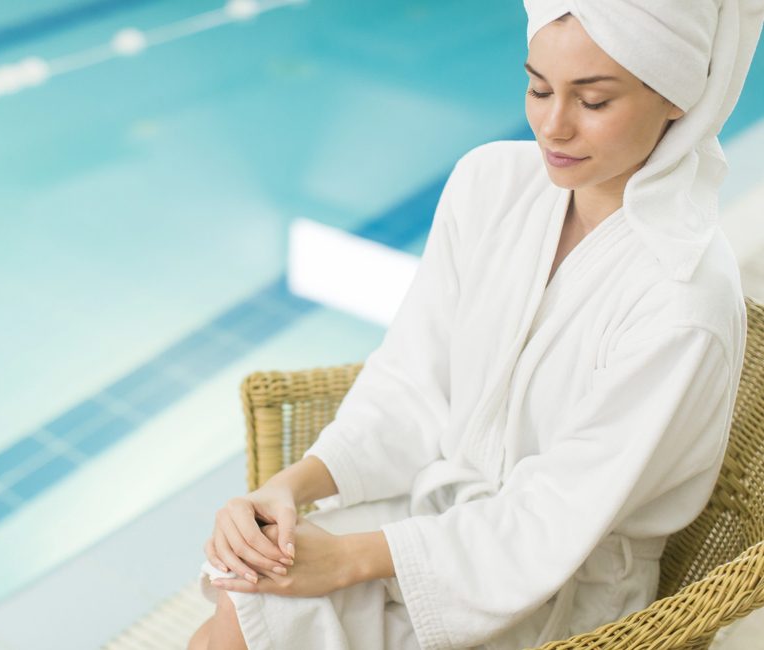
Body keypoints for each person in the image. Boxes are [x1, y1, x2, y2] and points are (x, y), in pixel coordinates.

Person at [189, 1, 763, 648]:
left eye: (593, 101)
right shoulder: (490, 184)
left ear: (676, 99)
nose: (553, 127)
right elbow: (412, 382)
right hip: (429, 511)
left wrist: (347, 558)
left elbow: (552, 520)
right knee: (245, 589)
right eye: (538, 88)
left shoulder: (682, 298)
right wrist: (287, 489)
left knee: (240, 616)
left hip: (552, 590)